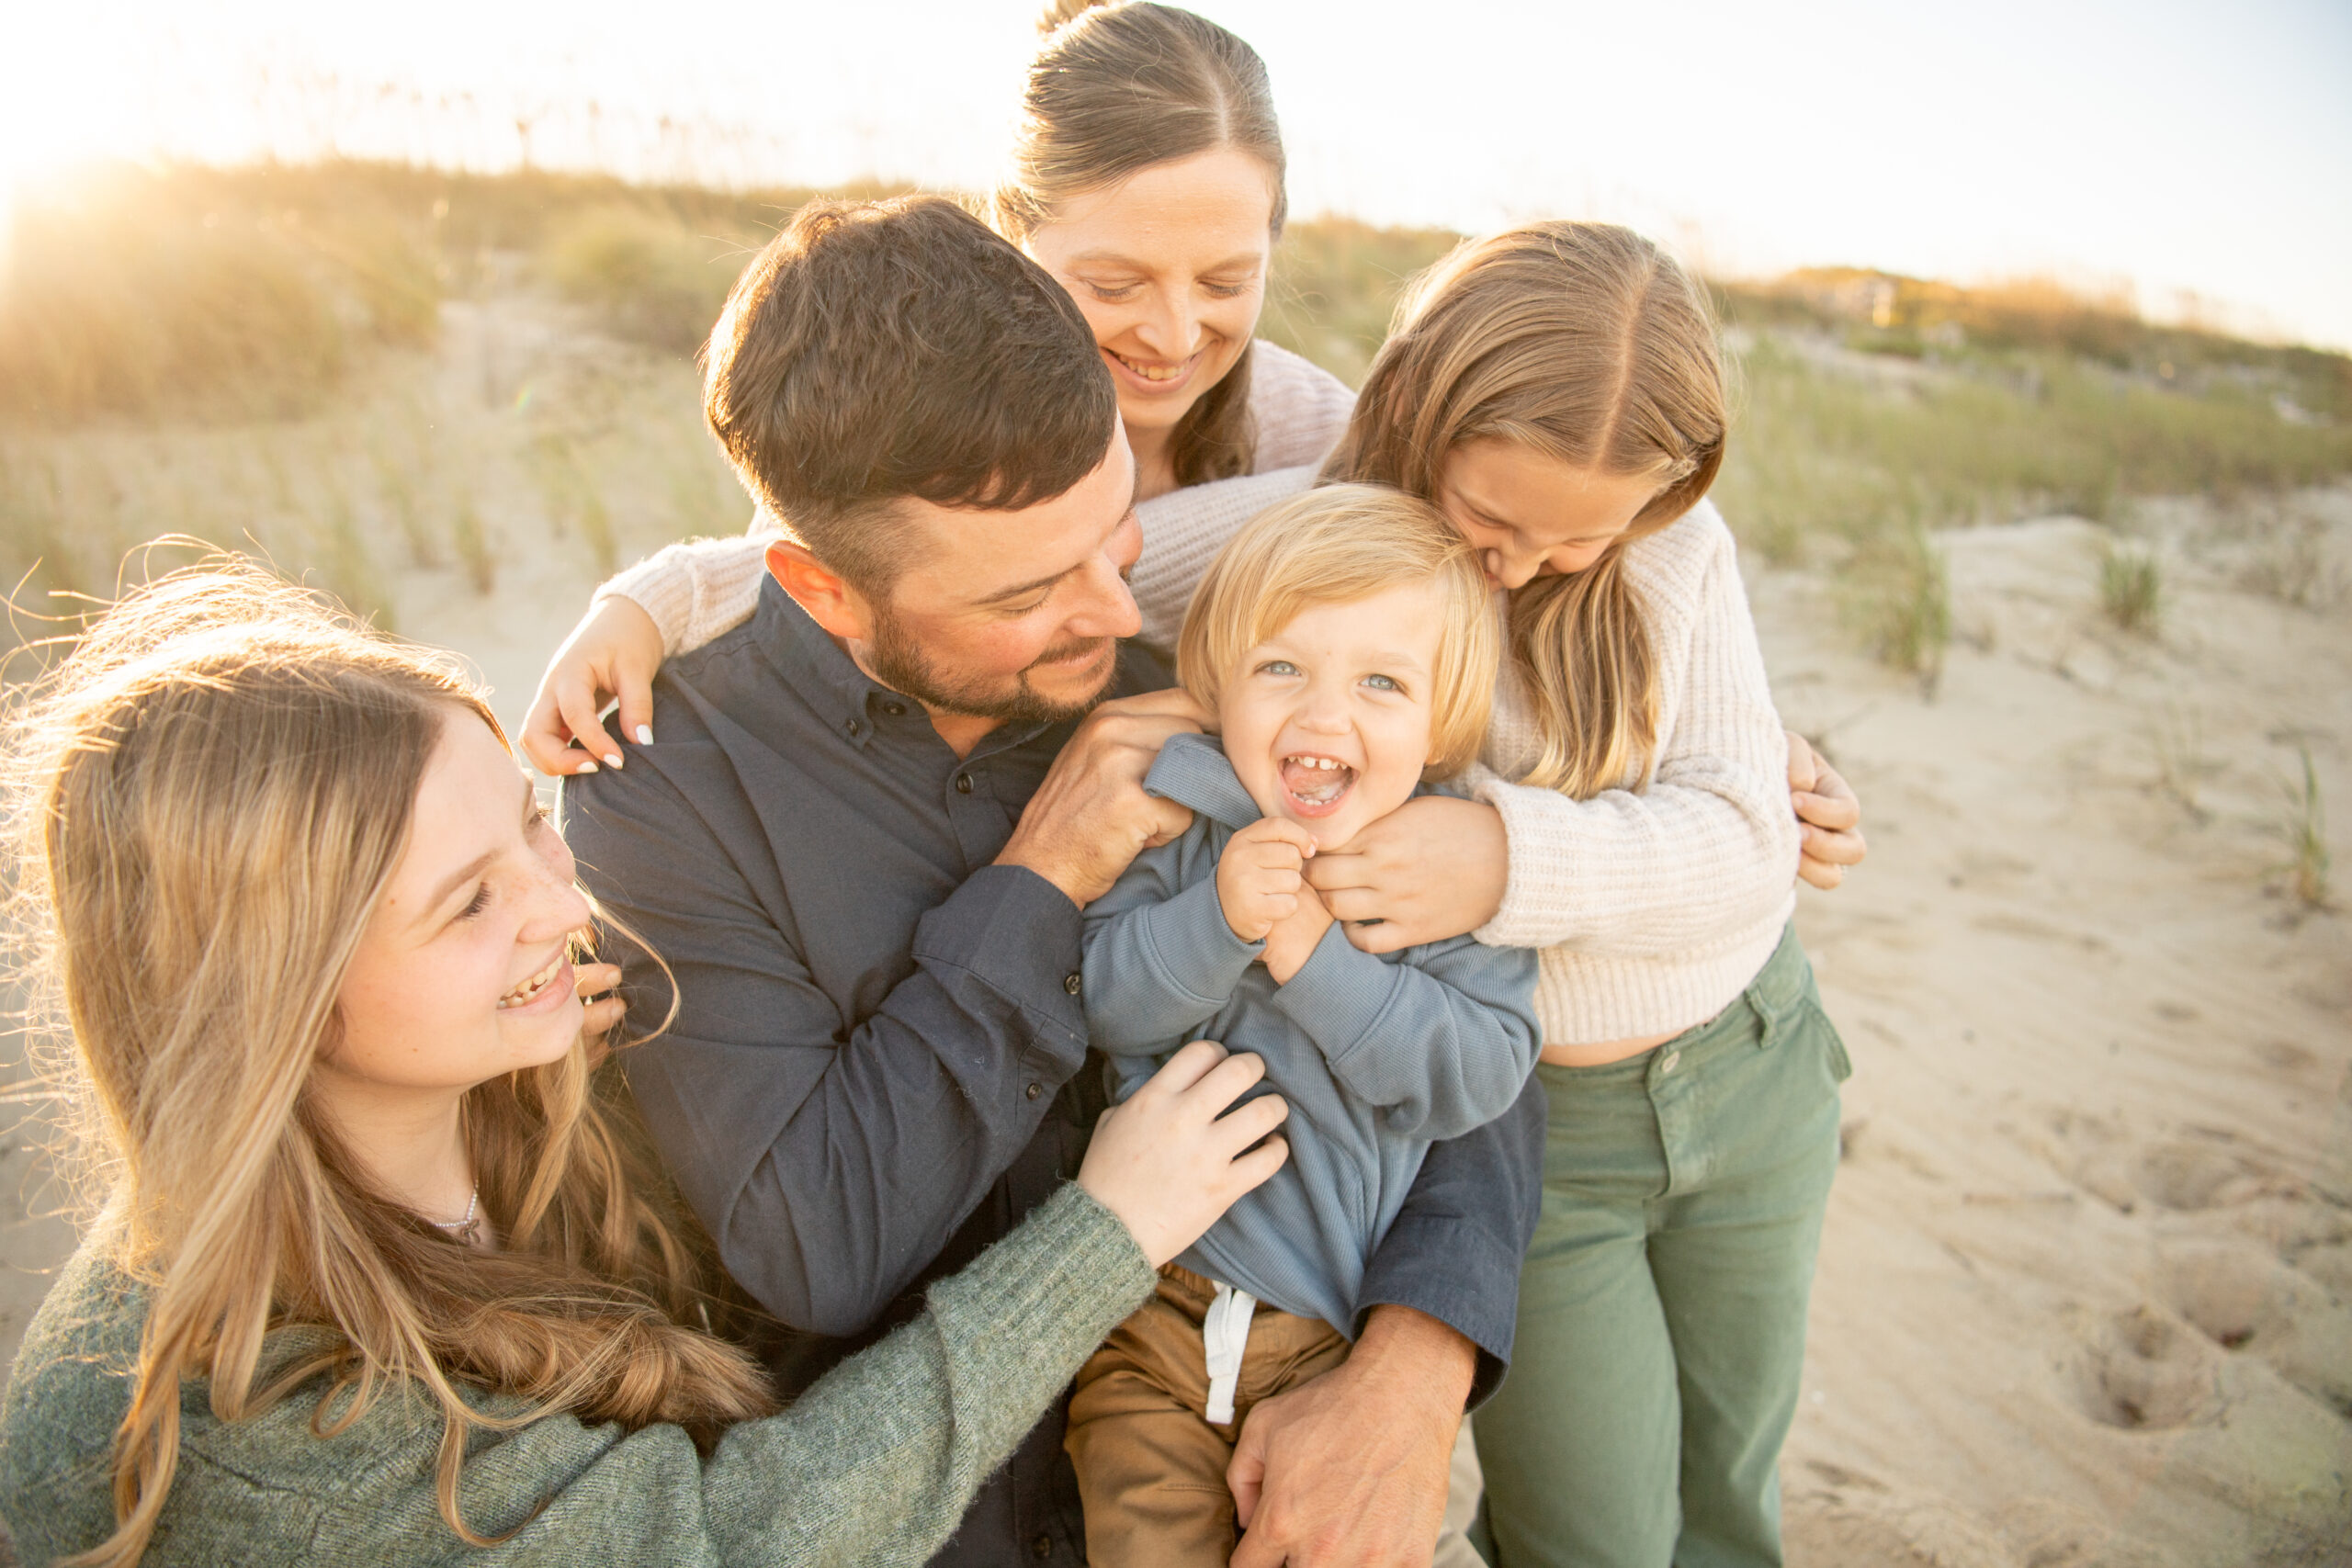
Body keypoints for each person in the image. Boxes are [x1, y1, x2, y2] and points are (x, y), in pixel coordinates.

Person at [558, 194, 1544, 1568]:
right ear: (824, 589)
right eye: (1027, 593)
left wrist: (1415, 1367)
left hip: (1262, 1425)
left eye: (1117, 527)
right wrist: (1044, 871)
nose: (1114, 614)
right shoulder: (660, 788)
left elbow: (1456, 1012)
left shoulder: (1197, 687)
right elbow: (816, 1235)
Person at [0, 559, 1291, 1568]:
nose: (568, 909)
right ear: (269, 1002)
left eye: (530, 825)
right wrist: (1104, 1230)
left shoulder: (485, 1106)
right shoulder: (264, 1416)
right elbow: (734, 1539)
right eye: (466, 904)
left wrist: (666, 592)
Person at [525, 0, 1354, 773]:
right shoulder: (912, 403)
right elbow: (827, 569)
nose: (1173, 337)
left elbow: (1417, 535)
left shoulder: (1318, 426)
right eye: (1112, 285)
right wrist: (657, 598)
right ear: (1010, 240)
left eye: (1223, 283)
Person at [1069, 485, 1543, 1567]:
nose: (1325, 716)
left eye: (1382, 684)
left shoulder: (1439, 874)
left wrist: (1314, 959)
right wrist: (1220, 920)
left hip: (1326, 1338)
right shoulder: (1175, 820)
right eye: (1282, 668)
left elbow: (1475, 1077)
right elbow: (1102, 1001)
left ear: (1440, 722)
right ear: (1218, 688)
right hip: (1139, 1320)